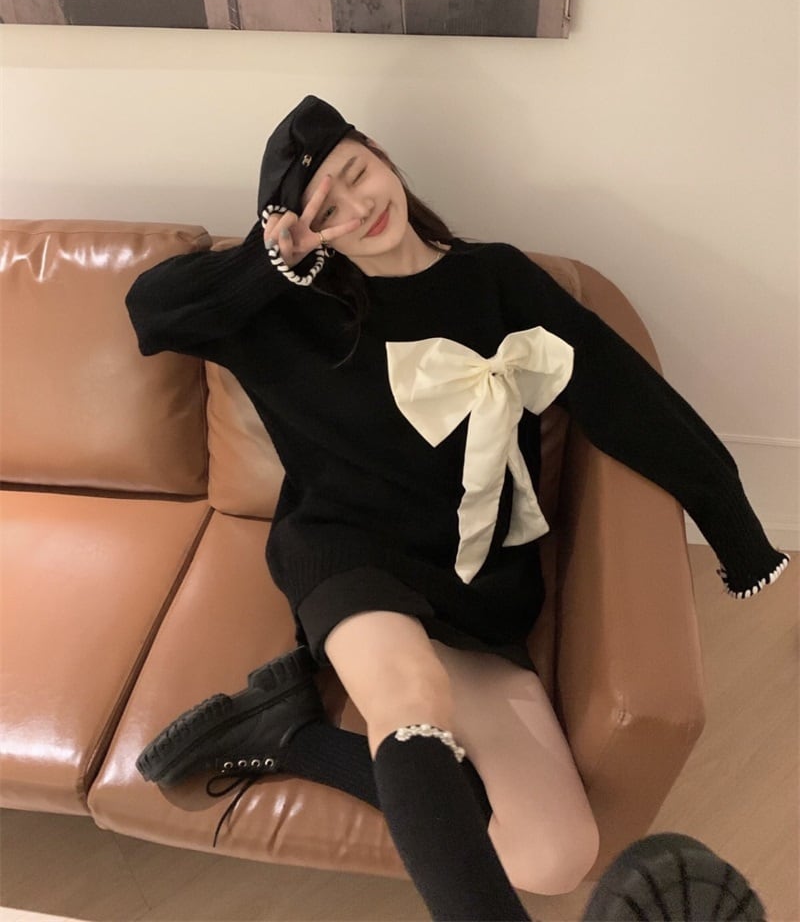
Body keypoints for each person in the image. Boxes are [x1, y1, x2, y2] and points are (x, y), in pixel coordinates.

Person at [126, 95, 787, 921]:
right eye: (326, 209)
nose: (359, 206)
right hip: (348, 554)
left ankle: (291, 736)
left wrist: (732, 523)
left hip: (477, 580)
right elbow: (151, 308)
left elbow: (621, 392)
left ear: (379, 152)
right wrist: (271, 262)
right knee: (408, 698)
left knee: (555, 854)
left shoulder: (497, 279)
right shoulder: (286, 306)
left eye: (357, 172)